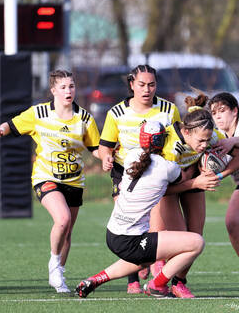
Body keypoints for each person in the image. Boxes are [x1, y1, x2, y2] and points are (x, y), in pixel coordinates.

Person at [0, 70, 100, 293]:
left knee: (67, 230)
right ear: (53, 90)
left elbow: (95, 148)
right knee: (62, 219)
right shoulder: (39, 113)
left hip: (74, 181)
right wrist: (2, 129)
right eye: (63, 87)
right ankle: (54, 264)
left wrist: (108, 157)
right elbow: (14, 123)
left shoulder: (84, 118)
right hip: (45, 177)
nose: (68, 91)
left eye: (71, 86)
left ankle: (59, 273)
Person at [75, 121, 205, 298]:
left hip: (113, 234)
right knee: (196, 243)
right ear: (163, 141)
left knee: (145, 259)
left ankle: (94, 280)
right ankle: (156, 285)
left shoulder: (132, 155)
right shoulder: (168, 168)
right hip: (131, 239)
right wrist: (198, 166)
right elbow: (183, 179)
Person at [98, 64, 181, 293]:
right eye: (142, 84)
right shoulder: (116, 113)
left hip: (156, 173)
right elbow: (105, 146)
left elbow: (176, 141)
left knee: (156, 222)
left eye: (152, 84)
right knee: (128, 223)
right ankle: (132, 278)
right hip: (126, 172)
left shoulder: (168, 109)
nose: (147, 89)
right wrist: (106, 159)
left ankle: (152, 262)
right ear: (132, 84)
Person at [157, 93, 239, 298]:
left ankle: (179, 282)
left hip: (194, 181)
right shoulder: (171, 148)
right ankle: (156, 280)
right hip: (168, 188)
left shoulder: (209, 135)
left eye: (207, 141)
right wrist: (195, 182)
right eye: (200, 141)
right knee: (183, 240)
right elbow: (162, 189)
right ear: (186, 132)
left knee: (196, 237)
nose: (205, 146)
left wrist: (218, 174)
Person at [208, 92, 239, 257]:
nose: (218, 116)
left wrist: (234, 141)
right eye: (214, 113)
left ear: (235, 111)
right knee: (232, 222)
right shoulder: (216, 135)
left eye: (222, 110)